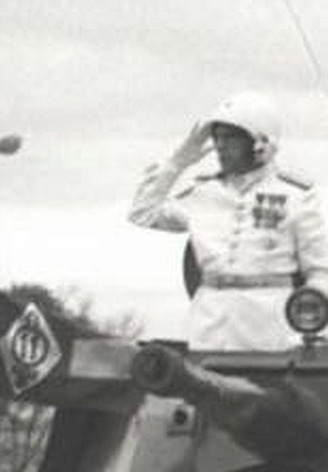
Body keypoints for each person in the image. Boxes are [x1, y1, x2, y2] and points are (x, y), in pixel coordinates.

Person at [130, 90, 328, 350]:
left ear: (259, 143)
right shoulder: (203, 193)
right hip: (208, 326)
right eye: (217, 137)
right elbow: (143, 212)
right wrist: (178, 162)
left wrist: (307, 319)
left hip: (272, 330)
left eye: (231, 137)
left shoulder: (296, 195)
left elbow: (321, 272)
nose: (219, 146)